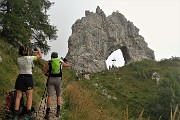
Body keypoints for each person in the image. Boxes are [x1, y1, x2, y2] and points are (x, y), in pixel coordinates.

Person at [13, 46, 42, 120]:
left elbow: (26, 58)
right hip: (28, 78)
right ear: (26, 51)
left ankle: (15, 115)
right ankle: (28, 115)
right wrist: (39, 51)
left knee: (18, 97)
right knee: (29, 97)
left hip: (20, 78)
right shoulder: (30, 58)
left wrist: (31, 54)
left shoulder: (18, 59)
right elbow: (39, 57)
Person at [43, 52, 70, 119]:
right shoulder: (60, 62)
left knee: (49, 96)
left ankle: (47, 112)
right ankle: (58, 111)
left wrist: (48, 74)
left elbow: (45, 72)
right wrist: (66, 61)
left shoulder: (49, 62)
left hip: (51, 79)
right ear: (57, 57)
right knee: (58, 95)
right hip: (58, 80)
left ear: (51, 57)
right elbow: (68, 65)